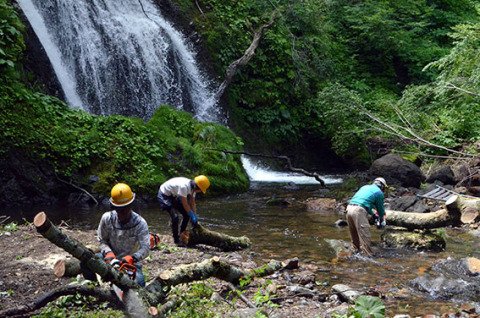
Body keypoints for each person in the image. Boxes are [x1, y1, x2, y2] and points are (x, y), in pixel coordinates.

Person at [81, 183, 150, 287]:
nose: (121, 212)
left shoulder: (140, 223)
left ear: (131, 205)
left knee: (139, 284)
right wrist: (108, 253)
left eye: (125, 208)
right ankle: (95, 289)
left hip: (130, 263)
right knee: (85, 262)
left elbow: (145, 248)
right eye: (119, 209)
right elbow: (102, 240)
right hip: (110, 259)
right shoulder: (107, 219)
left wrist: (133, 257)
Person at [157, 175, 210, 246]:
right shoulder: (184, 187)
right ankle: (176, 240)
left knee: (186, 215)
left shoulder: (193, 188)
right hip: (164, 194)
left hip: (174, 195)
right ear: (197, 187)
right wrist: (191, 213)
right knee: (175, 217)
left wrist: (194, 215)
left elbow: (192, 202)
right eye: (200, 190)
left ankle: (182, 234)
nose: (200, 192)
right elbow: (185, 204)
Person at [346, 177, 388, 256]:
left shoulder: (365, 187)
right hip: (358, 211)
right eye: (384, 188)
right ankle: (368, 257)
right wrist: (382, 219)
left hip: (349, 208)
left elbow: (363, 202)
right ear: (382, 186)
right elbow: (380, 208)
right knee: (364, 235)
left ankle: (355, 253)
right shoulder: (379, 193)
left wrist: (373, 214)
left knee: (354, 234)